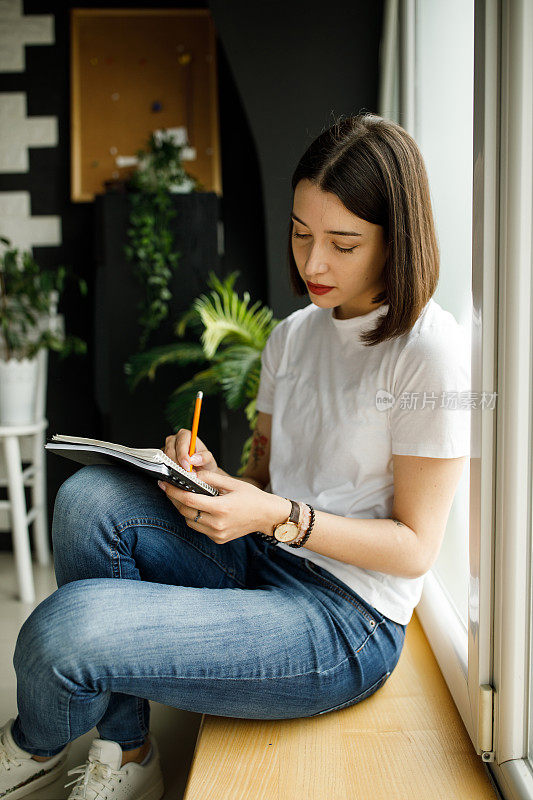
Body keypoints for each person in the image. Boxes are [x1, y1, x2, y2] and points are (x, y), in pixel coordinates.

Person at [0, 112, 470, 800]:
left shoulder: (428, 350)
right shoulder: (293, 337)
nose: (312, 264)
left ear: (397, 241)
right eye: (301, 233)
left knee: (60, 634)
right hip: (266, 558)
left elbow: (413, 549)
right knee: (86, 501)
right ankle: (126, 751)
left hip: (346, 620)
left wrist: (277, 515)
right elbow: (264, 480)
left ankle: (31, 742)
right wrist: (214, 481)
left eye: (343, 243)